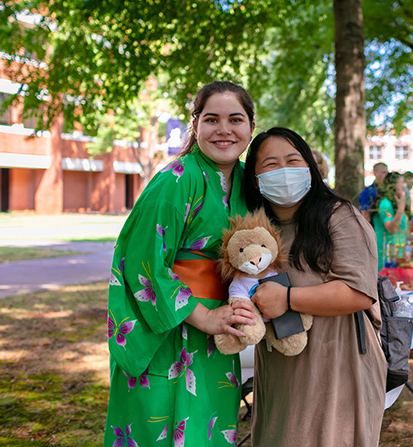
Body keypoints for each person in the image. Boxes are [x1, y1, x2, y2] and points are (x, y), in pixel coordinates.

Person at [104, 81, 260, 447]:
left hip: (218, 333)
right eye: (211, 119)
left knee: (208, 428)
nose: (224, 130)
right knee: (159, 429)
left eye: (235, 119)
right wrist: (203, 316)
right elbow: (142, 262)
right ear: (195, 126)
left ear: (251, 128)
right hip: (170, 330)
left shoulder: (247, 184)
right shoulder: (175, 179)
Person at [242, 127, 386, 447]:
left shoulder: (339, 216)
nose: (284, 171)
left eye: (293, 160)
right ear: (254, 178)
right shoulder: (256, 229)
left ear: (310, 167)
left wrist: (288, 298)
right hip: (280, 365)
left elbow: (359, 292)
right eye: (270, 164)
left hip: (337, 363)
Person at [371, 171, 407, 270]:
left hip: (398, 255)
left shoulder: (398, 203)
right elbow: (391, 228)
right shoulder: (385, 203)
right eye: (401, 182)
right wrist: (401, 208)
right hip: (386, 258)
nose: (404, 186)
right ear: (393, 185)